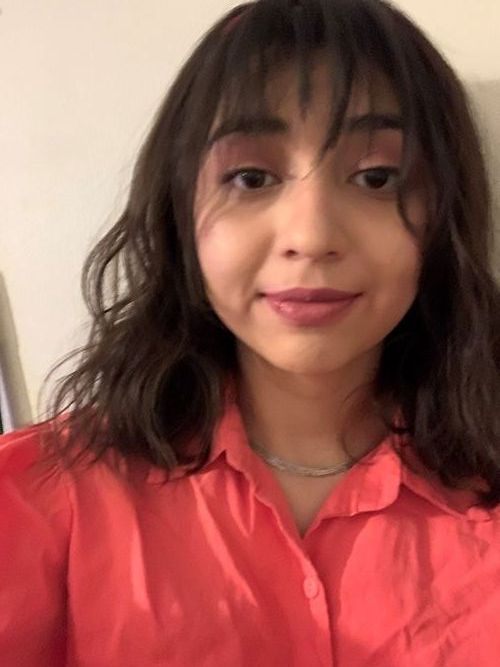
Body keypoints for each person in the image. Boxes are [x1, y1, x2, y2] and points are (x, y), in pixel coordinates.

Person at [1, 0, 499, 665]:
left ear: (446, 218)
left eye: (377, 178)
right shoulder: (39, 495)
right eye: (251, 177)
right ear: (180, 216)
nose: (311, 236)